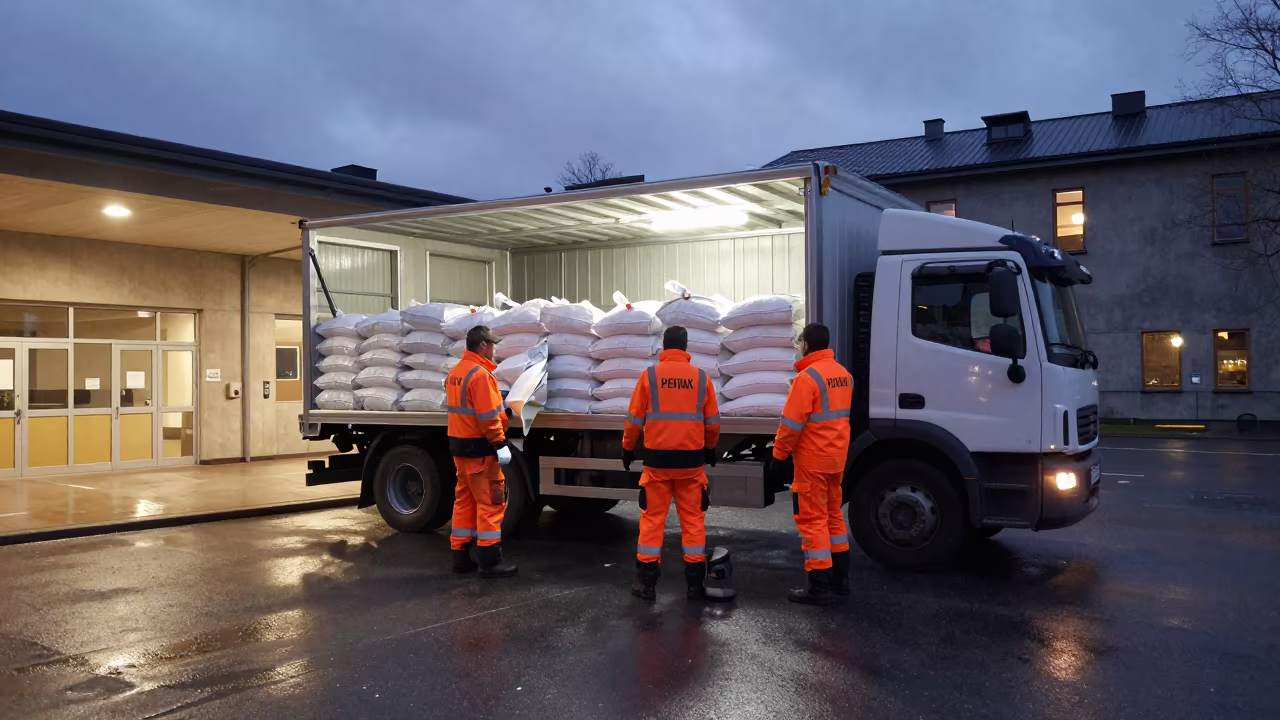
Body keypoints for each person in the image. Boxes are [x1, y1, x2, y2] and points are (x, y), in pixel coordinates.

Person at [622, 326, 721, 601]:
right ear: (686, 347)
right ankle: (694, 585)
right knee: (693, 522)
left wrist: (628, 448)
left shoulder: (650, 377)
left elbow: (634, 420)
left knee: (652, 522)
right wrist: (710, 448)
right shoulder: (701, 378)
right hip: (691, 464)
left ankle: (647, 584)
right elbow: (712, 421)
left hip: (657, 465)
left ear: (664, 347)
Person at [770, 323, 853, 605]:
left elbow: (791, 425)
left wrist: (778, 456)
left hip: (812, 461)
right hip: (836, 459)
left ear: (806, 345)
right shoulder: (844, 375)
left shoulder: (807, 379)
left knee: (813, 521)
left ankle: (819, 586)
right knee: (833, 517)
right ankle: (841, 580)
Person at [445, 325, 517, 579]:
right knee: (490, 502)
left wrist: (501, 412)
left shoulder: (456, 372)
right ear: (483, 346)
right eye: (493, 345)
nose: (495, 349)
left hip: (461, 448)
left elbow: (470, 410)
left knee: (464, 501)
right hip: (481, 450)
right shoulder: (482, 375)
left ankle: (460, 556)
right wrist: (499, 442)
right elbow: (487, 417)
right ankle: (489, 561)